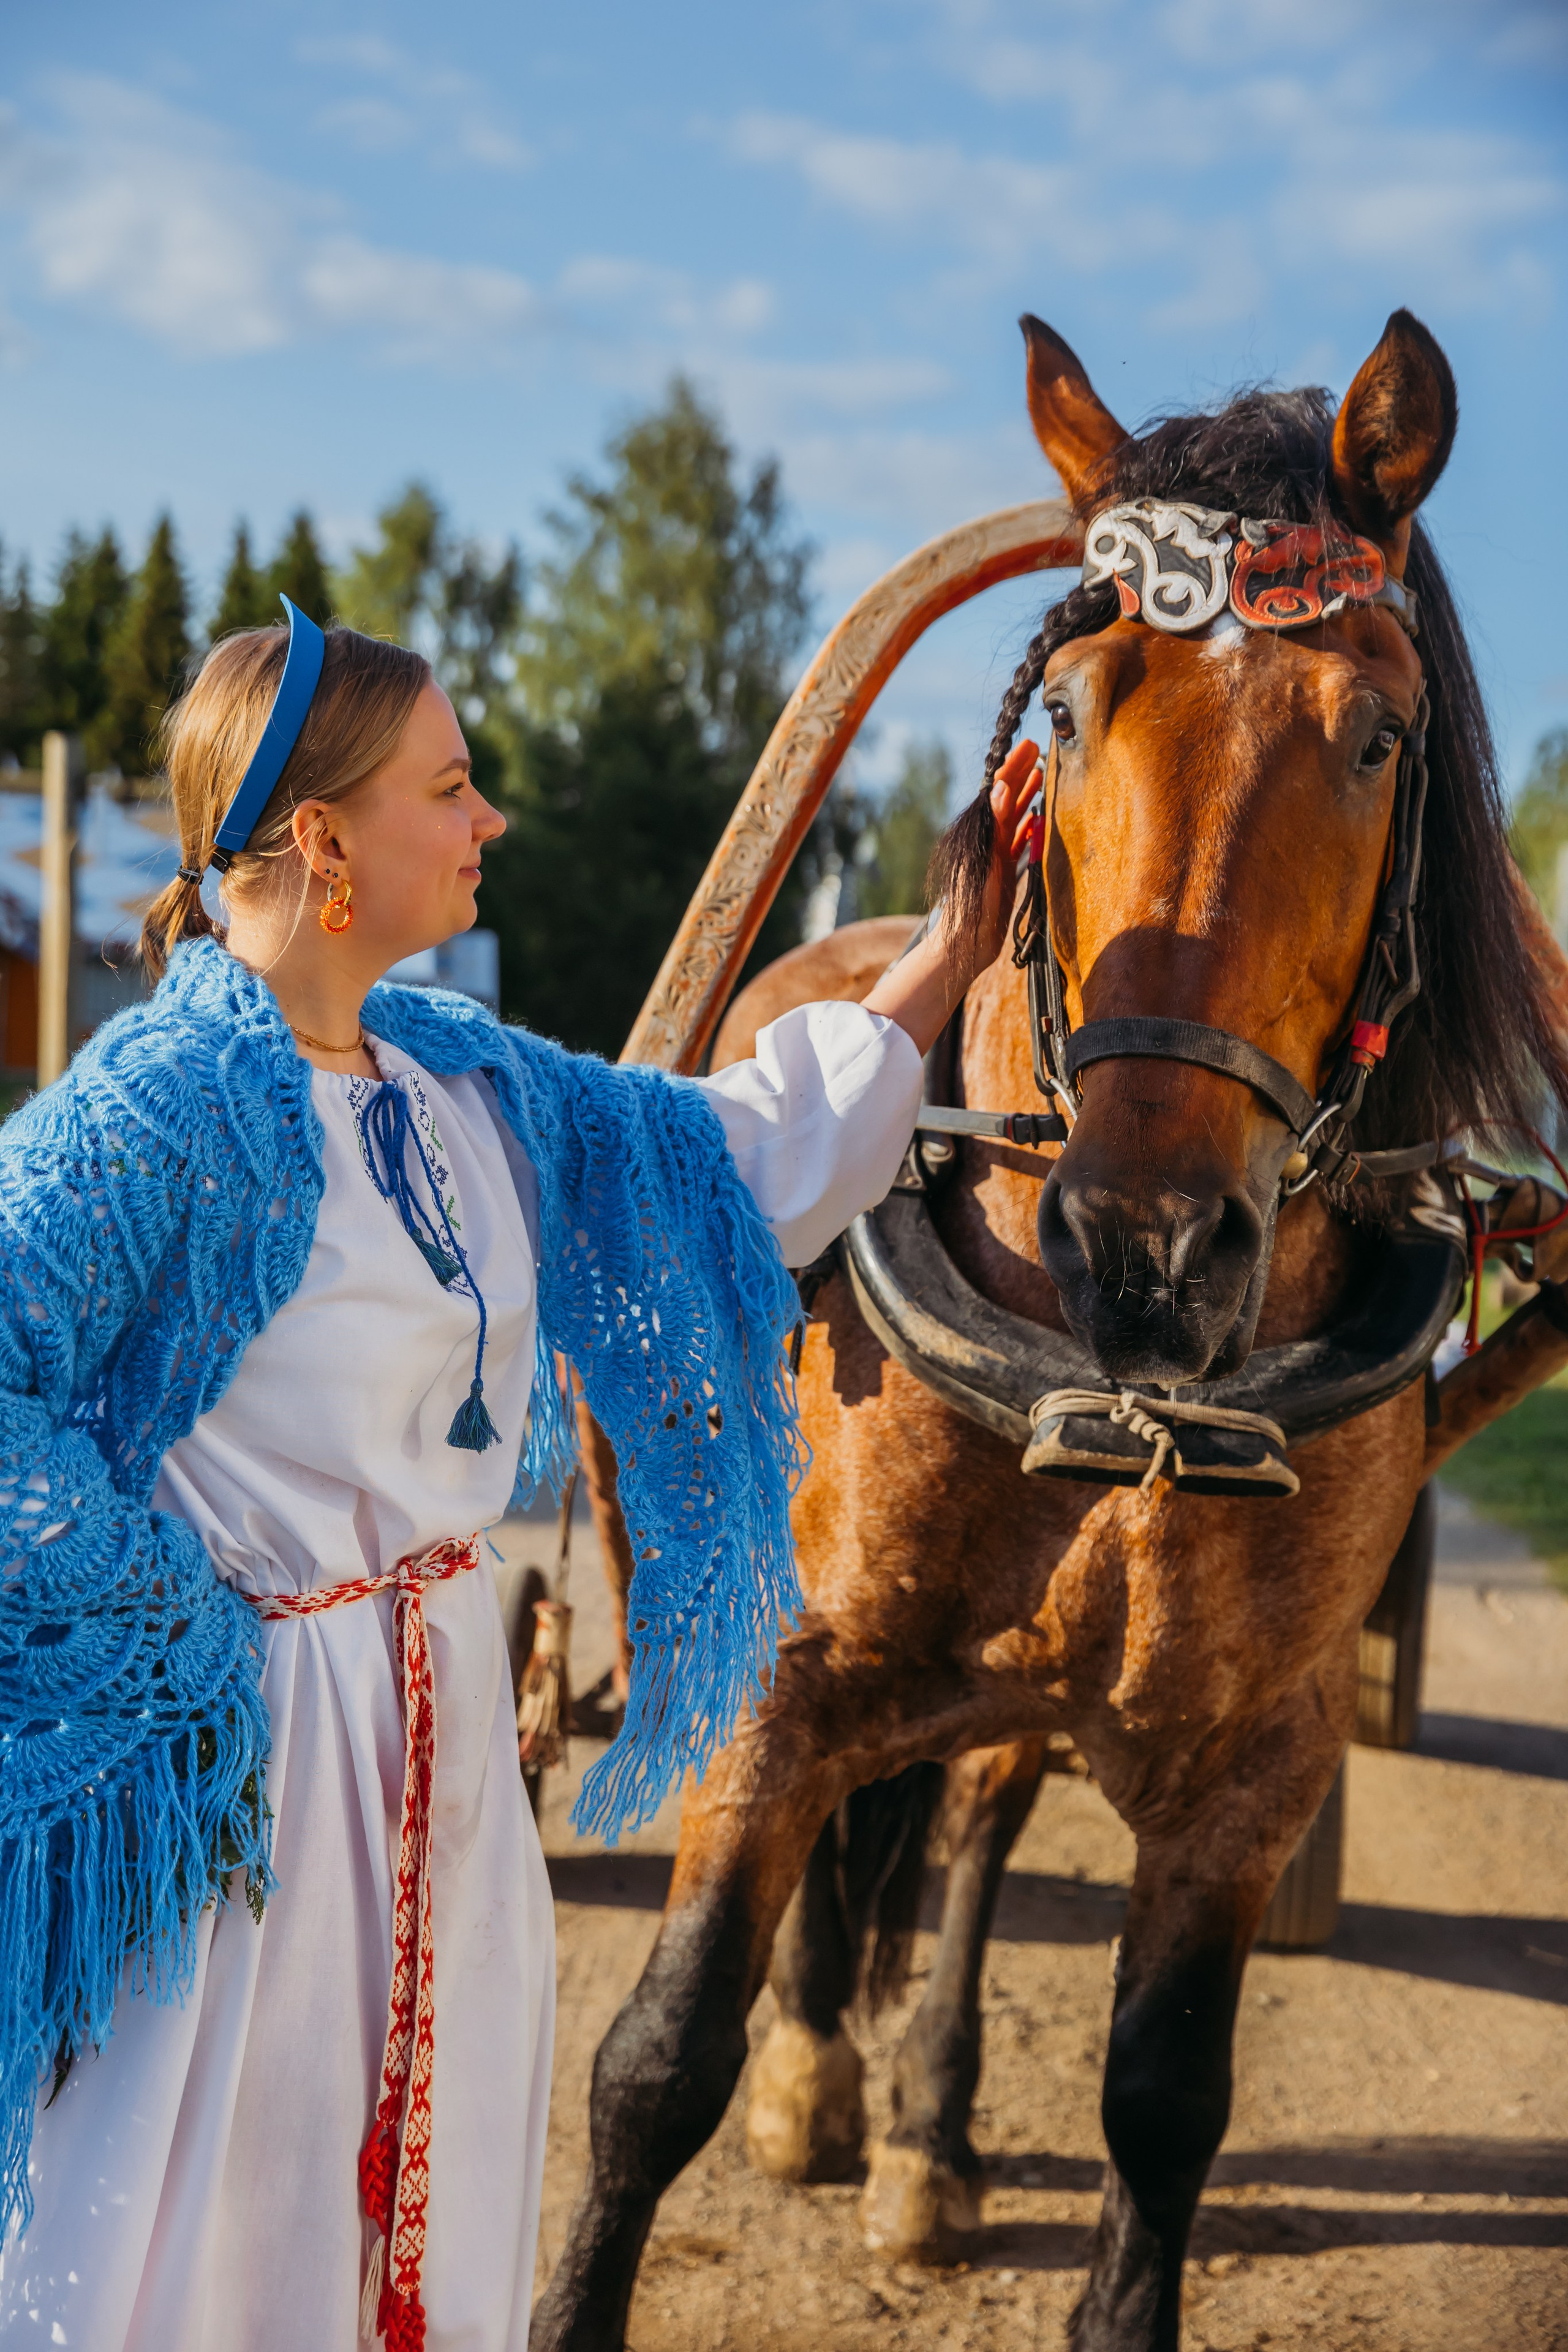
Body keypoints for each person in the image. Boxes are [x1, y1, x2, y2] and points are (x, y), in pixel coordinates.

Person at [0, 601, 1035, 2352]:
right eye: (450, 787)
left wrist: (943, 954)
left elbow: (721, 1161)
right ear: (325, 840)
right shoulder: (156, 1110)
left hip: (442, 1745)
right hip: (246, 1772)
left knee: (426, 2194)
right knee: (219, 2230)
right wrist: (168, 1632)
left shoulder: (458, 1080)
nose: (489, 819)